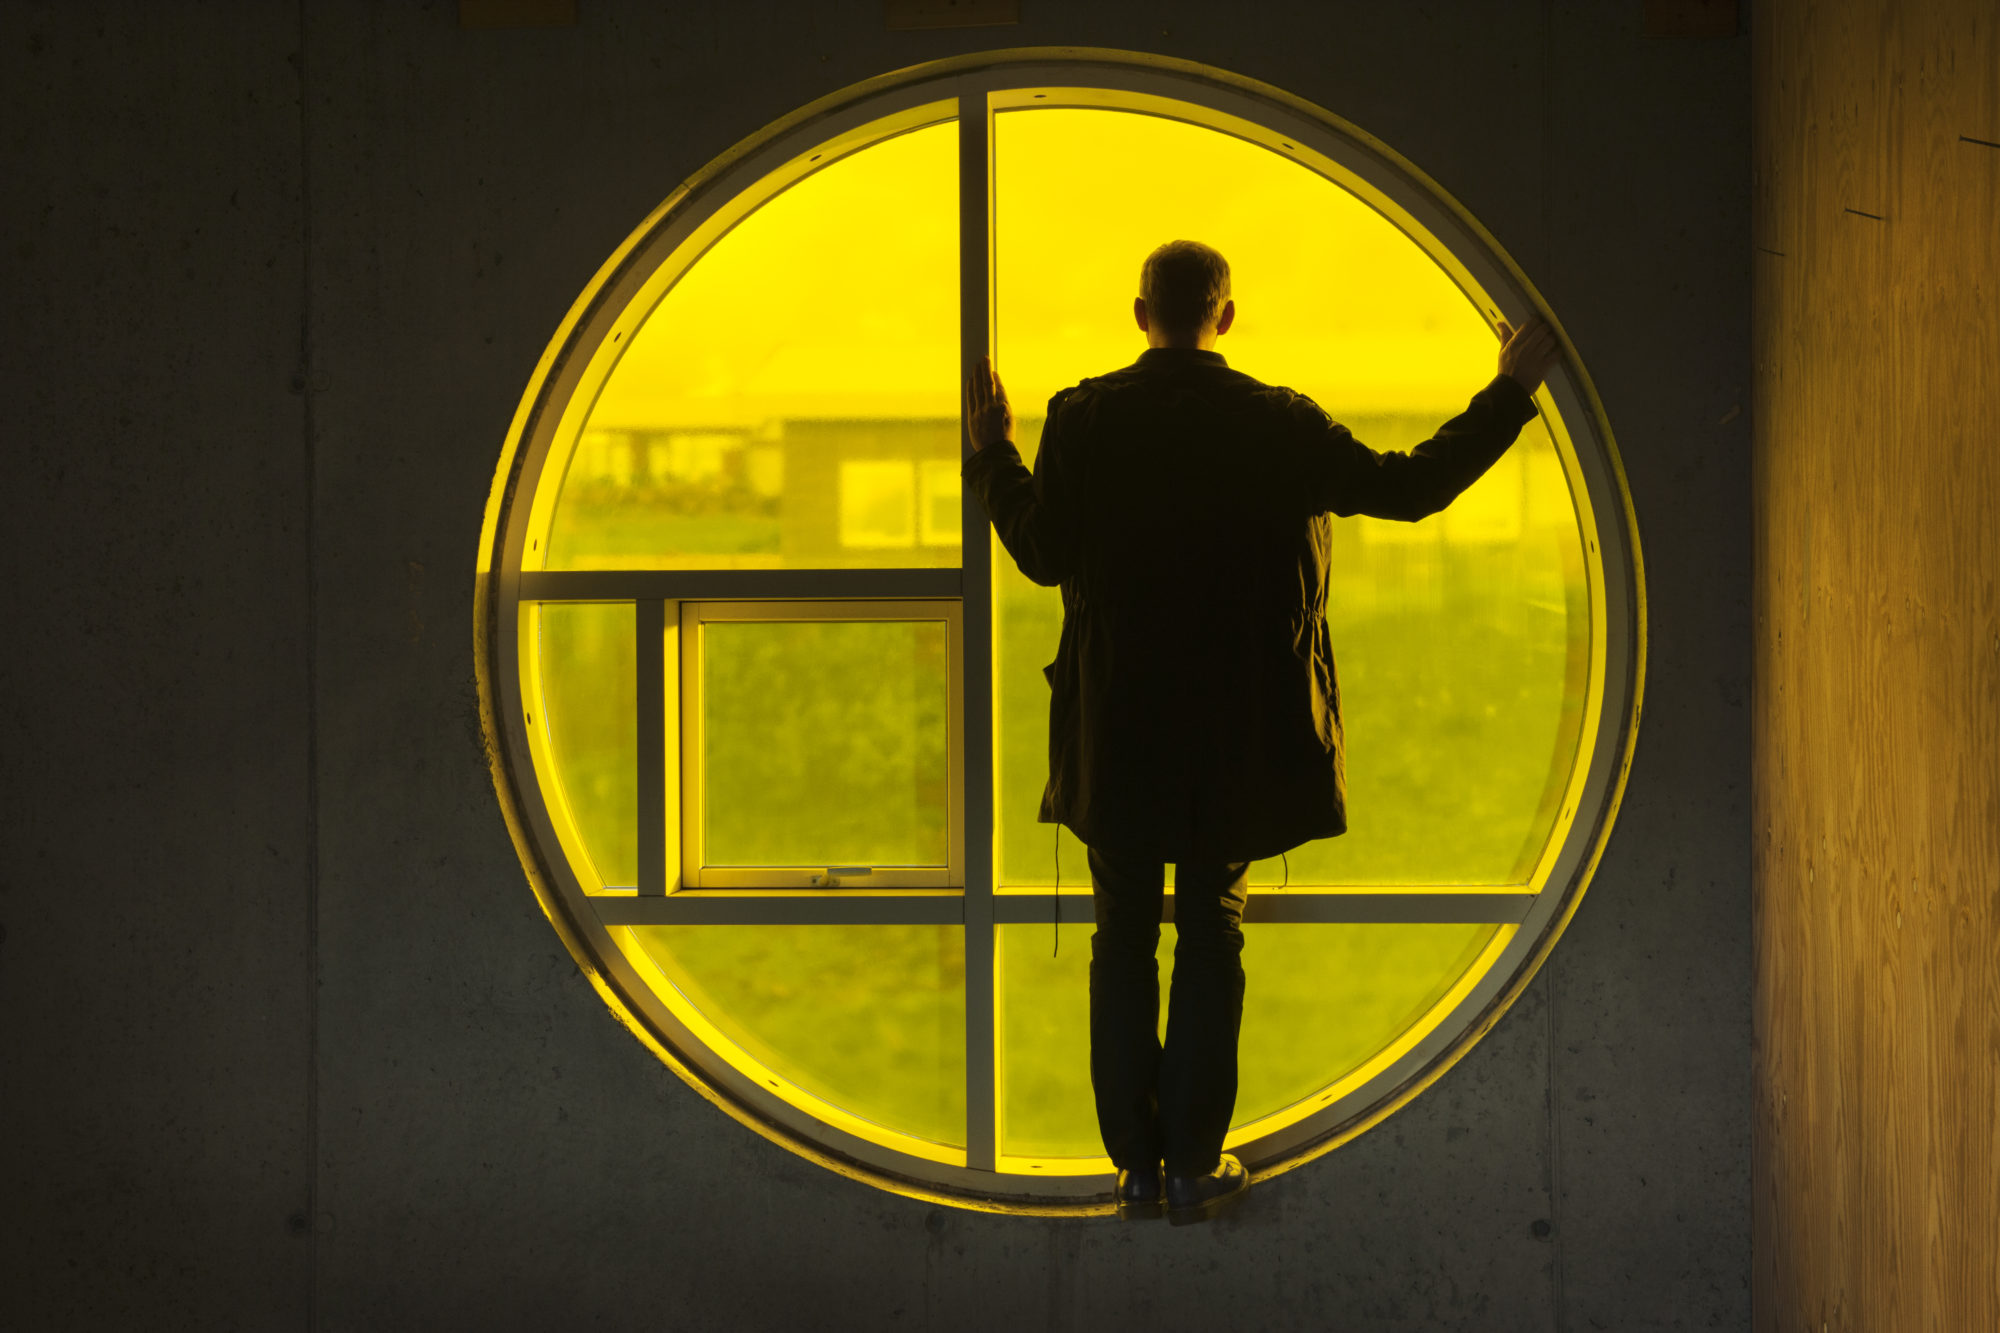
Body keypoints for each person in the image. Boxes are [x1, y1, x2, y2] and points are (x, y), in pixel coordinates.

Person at [961, 239, 1561, 1226]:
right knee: (1210, 930)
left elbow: (1039, 552)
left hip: (1117, 735)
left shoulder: (1083, 419)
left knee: (1120, 939)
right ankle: (1195, 1164)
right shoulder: (1275, 422)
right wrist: (1507, 390)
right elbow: (1410, 488)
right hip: (1235, 738)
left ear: (1138, 313)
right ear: (1225, 317)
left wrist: (992, 453)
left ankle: (1135, 1170)